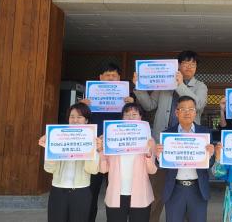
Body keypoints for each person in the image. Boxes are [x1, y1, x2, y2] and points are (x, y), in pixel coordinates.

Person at [133, 51, 208, 222]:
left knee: (186, 194)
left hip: (186, 149)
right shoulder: (164, 83)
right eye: (186, 63)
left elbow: (199, 105)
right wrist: (138, 87)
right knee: (157, 192)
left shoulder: (200, 86)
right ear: (178, 65)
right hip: (162, 146)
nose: (189, 66)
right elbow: (149, 105)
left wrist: (179, 85)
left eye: (193, 64)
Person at [81, 62, 134, 222]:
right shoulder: (89, 98)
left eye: (114, 75)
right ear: (100, 77)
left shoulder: (127, 98)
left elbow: (135, 124)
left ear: (119, 78)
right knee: (91, 191)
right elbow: (77, 121)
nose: (111, 78)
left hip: (117, 152)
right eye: (107, 75)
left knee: (117, 191)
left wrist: (131, 105)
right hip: (95, 150)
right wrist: (82, 107)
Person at [154, 96, 215, 222]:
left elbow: (210, 163)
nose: (187, 112)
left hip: (198, 189)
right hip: (175, 189)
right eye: (183, 109)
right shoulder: (168, 134)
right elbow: (160, 164)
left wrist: (211, 155)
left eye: (191, 109)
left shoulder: (205, 133)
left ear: (195, 112)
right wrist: (158, 156)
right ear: (176, 113)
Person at [38, 102, 101, 222]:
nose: (75, 120)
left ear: (86, 120)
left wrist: (95, 151)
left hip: (81, 191)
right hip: (58, 190)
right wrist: (49, 148)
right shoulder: (58, 137)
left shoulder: (92, 140)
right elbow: (49, 169)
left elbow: (92, 170)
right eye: (72, 117)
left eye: (79, 117)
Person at [99, 102, 157, 222]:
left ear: (141, 118)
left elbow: (152, 170)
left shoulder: (149, 140)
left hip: (140, 196)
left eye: (134, 114)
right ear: (122, 118)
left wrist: (148, 154)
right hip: (115, 195)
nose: (130, 117)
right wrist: (101, 150)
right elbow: (103, 169)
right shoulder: (110, 138)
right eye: (126, 115)